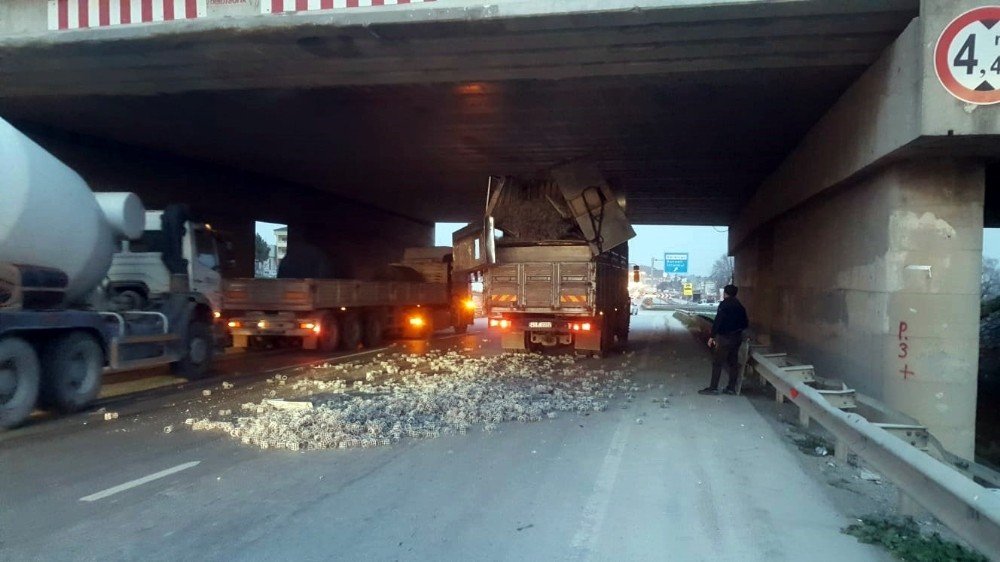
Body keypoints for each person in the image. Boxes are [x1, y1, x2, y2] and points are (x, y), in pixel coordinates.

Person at [699, 284, 749, 396]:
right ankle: (731, 388)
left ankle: (713, 388)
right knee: (733, 363)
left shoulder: (724, 305)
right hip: (737, 338)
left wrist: (712, 336)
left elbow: (718, 321)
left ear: (725, 293)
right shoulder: (740, 306)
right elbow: (745, 323)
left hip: (725, 338)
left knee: (718, 362)